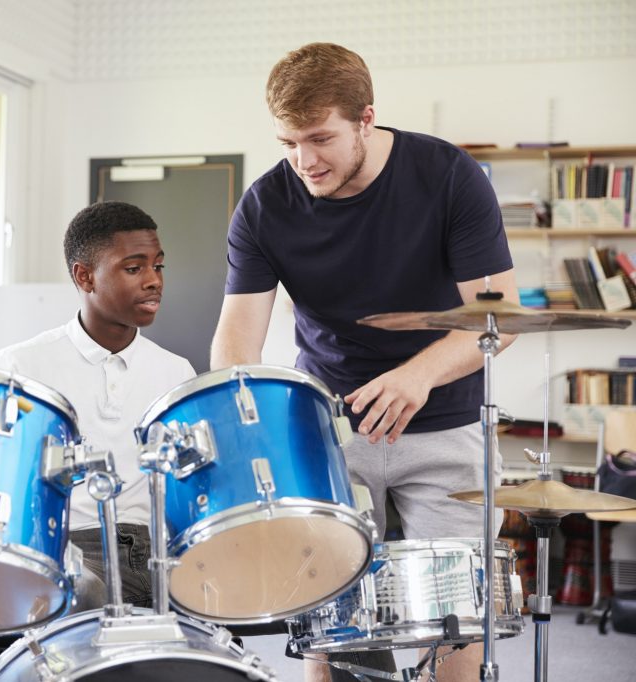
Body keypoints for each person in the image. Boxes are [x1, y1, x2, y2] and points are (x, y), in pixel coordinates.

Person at [209, 43, 518, 682]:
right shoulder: (266, 205)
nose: (304, 160)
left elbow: (501, 315)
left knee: (455, 627)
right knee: (333, 631)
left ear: (367, 119)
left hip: (446, 421)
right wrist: (251, 421)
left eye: (320, 138)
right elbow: (236, 341)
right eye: (289, 142)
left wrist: (417, 375)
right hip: (331, 432)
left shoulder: (450, 175)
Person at [0, 200, 196, 611]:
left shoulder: (176, 372)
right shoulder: (20, 367)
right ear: (85, 277)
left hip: (155, 551)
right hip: (65, 549)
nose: (154, 281)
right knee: (87, 597)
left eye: (159, 266)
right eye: (135, 268)